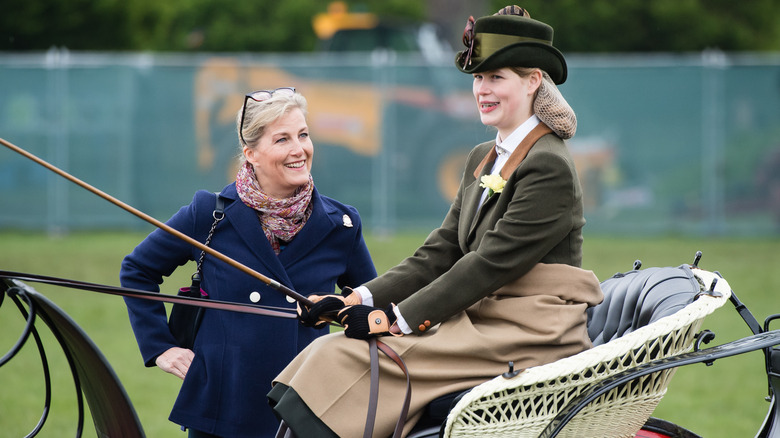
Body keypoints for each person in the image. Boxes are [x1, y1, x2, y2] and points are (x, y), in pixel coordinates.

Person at [268, 6, 604, 437]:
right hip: (484, 318)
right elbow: (441, 250)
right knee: (331, 349)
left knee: (351, 357)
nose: (482, 89)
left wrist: (395, 319)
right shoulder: (480, 157)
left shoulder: (549, 165)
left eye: (497, 77)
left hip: (530, 330)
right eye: (478, 78)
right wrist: (360, 301)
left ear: (534, 80)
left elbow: (488, 264)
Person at [120, 87, 377, 438]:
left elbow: (368, 302)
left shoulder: (341, 225)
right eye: (282, 139)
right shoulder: (207, 215)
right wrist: (160, 347)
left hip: (308, 408)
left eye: (303, 135)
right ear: (251, 153)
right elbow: (138, 269)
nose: (299, 149)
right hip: (225, 409)